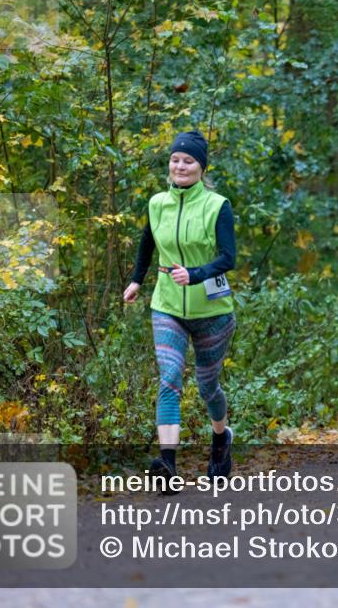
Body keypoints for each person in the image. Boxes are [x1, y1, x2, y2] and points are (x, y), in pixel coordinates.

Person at [122, 130, 237, 487]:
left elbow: (228, 258)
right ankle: (168, 465)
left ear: (201, 167)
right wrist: (137, 280)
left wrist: (197, 274)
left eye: (188, 161)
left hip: (212, 312)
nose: (180, 166)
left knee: (207, 387)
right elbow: (147, 242)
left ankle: (221, 438)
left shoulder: (218, 205)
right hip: (167, 306)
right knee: (170, 378)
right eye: (175, 159)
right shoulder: (157, 203)